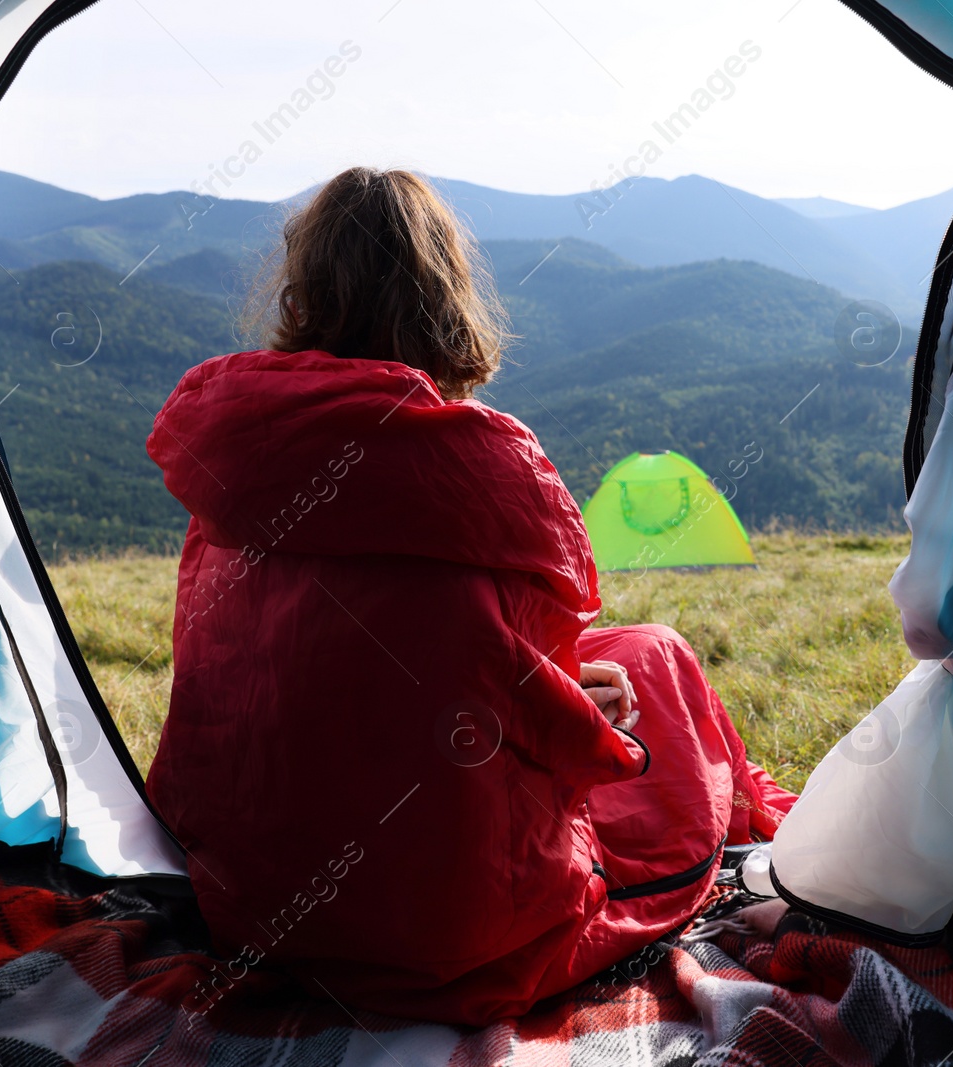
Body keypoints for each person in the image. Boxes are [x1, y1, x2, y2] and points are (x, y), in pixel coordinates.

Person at [143, 166, 795, 1026]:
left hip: (256, 913)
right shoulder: (485, 469)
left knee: (628, 660)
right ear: (444, 293)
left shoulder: (231, 462)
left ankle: (756, 805)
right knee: (660, 657)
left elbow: (246, 685)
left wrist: (550, 691)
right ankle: (766, 820)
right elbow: (533, 708)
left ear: (303, 292)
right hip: (468, 937)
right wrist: (584, 717)